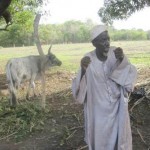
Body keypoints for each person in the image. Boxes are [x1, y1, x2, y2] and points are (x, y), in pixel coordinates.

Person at [72, 25, 137, 150]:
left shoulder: (115, 53)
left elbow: (129, 76)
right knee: (101, 141)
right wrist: (83, 70)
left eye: (108, 39)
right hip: (98, 110)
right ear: (94, 43)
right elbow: (79, 93)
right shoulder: (88, 59)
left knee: (120, 138)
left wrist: (122, 59)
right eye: (103, 40)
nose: (107, 43)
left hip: (117, 107)